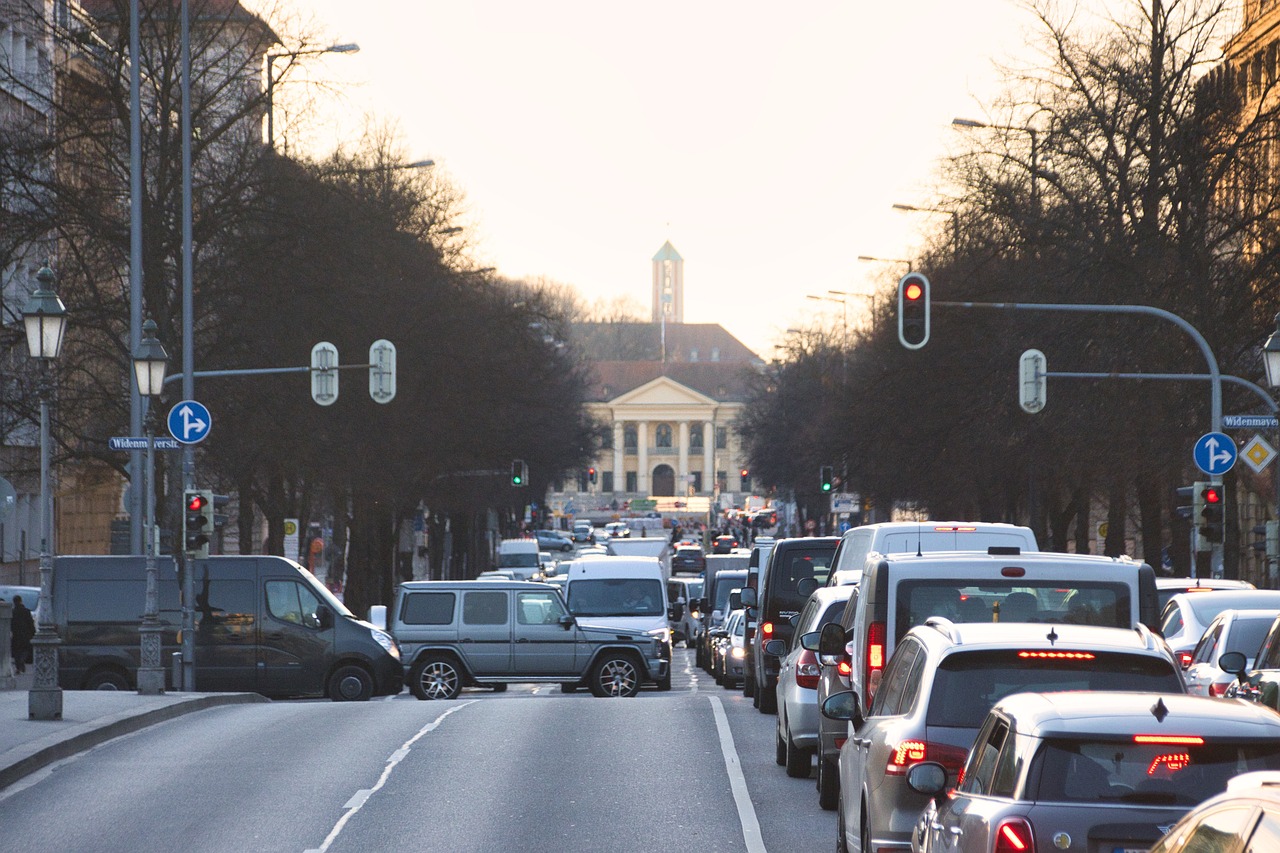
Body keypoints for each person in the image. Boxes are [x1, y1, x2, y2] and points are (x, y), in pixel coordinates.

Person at [10, 594, 35, 674]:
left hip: (16, 635)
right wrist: (33, 633)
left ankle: (18, 667)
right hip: (26, 634)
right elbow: (30, 623)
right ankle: (22, 661)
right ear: (21, 601)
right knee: (26, 650)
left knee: (17, 652)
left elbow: (11, 624)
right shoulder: (26, 611)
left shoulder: (12, 612)